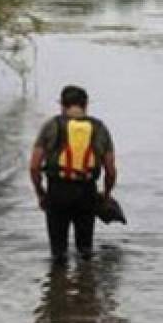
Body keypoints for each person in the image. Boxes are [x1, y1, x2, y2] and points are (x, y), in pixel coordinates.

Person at [30, 85, 118, 258]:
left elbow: (34, 167)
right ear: (86, 105)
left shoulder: (51, 126)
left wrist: (41, 194)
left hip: (57, 191)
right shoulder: (99, 128)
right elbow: (110, 170)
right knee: (85, 251)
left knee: (58, 253)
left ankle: (57, 281)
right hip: (87, 192)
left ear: (62, 105)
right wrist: (106, 196)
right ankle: (86, 281)